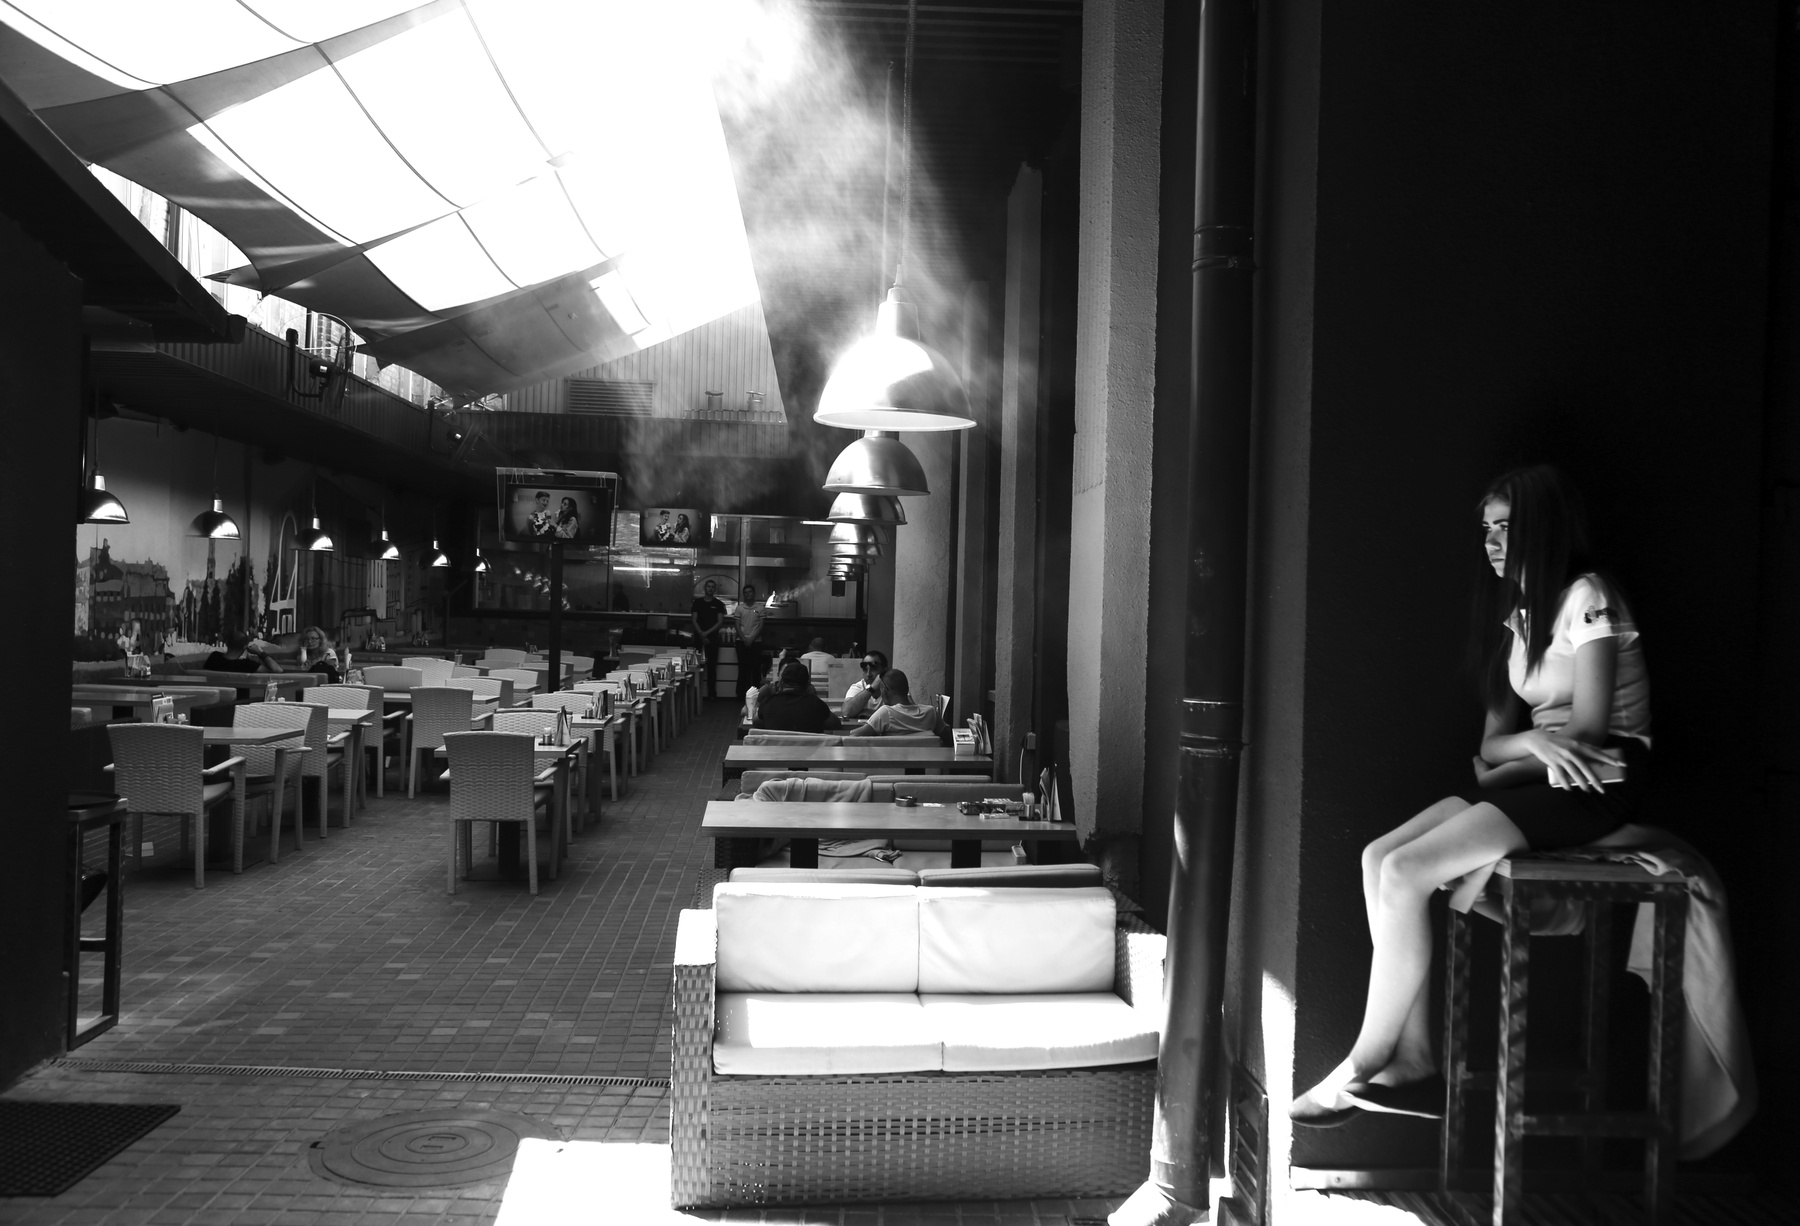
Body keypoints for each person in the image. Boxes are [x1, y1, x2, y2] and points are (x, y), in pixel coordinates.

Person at [1289, 465, 1651, 1127]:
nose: (1492, 543)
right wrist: (1531, 746)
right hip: (1540, 776)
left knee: (1406, 870)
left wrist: (1517, 757)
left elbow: (1589, 733)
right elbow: (1490, 747)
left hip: (1601, 781)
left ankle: (1363, 1061)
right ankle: (1415, 1057)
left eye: (1506, 527)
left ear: (1543, 528)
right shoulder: (1519, 616)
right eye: (1486, 529)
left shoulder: (1589, 597)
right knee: (1378, 858)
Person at [846, 668, 949, 743]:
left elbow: (854, 735)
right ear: (907, 689)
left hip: (892, 764)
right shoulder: (930, 712)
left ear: (884, 690)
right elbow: (948, 737)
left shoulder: (886, 713)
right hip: (925, 764)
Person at [753, 661, 843, 733]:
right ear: (807, 685)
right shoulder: (817, 704)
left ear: (781, 682)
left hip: (776, 750)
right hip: (810, 750)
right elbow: (836, 725)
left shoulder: (768, 703)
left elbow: (756, 722)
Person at [690, 578, 728, 699]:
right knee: (696, 667)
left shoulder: (718, 604)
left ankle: (712, 694)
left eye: (712, 587)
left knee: (712, 667)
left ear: (715, 589)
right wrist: (701, 633)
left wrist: (706, 633)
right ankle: (695, 694)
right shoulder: (697, 603)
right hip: (698, 639)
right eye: (708, 586)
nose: (710, 589)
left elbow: (720, 622)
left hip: (713, 639)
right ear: (704, 588)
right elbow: (694, 620)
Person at [204, 629, 282, 674]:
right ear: (245, 647)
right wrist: (260, 652)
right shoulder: (246, 665)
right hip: (241, 698)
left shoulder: (214, 658)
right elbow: (277, 670)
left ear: (226, 643)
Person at [735, 584, 765, 698]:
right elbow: (737, 625)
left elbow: (761, 626)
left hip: (756, 642)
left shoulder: (760, 608)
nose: (748, 594)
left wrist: (751, 639)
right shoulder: (739, 608)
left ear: (754, 593)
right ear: (744, 594)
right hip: (741, 641)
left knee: (756, 669)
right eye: (746, 592)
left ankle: (756, 695)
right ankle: (741, 695)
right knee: (743, 669)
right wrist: (744, 639)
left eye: (750, 592)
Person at [840, 649, 889, 721]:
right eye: (865, 670)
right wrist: (871, 688)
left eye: (873, 669)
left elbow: (903, 713)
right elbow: (846, 712)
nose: (868, 674)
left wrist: (871, 713)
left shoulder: (893, 687)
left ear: (885, 670)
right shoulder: (857, 687)